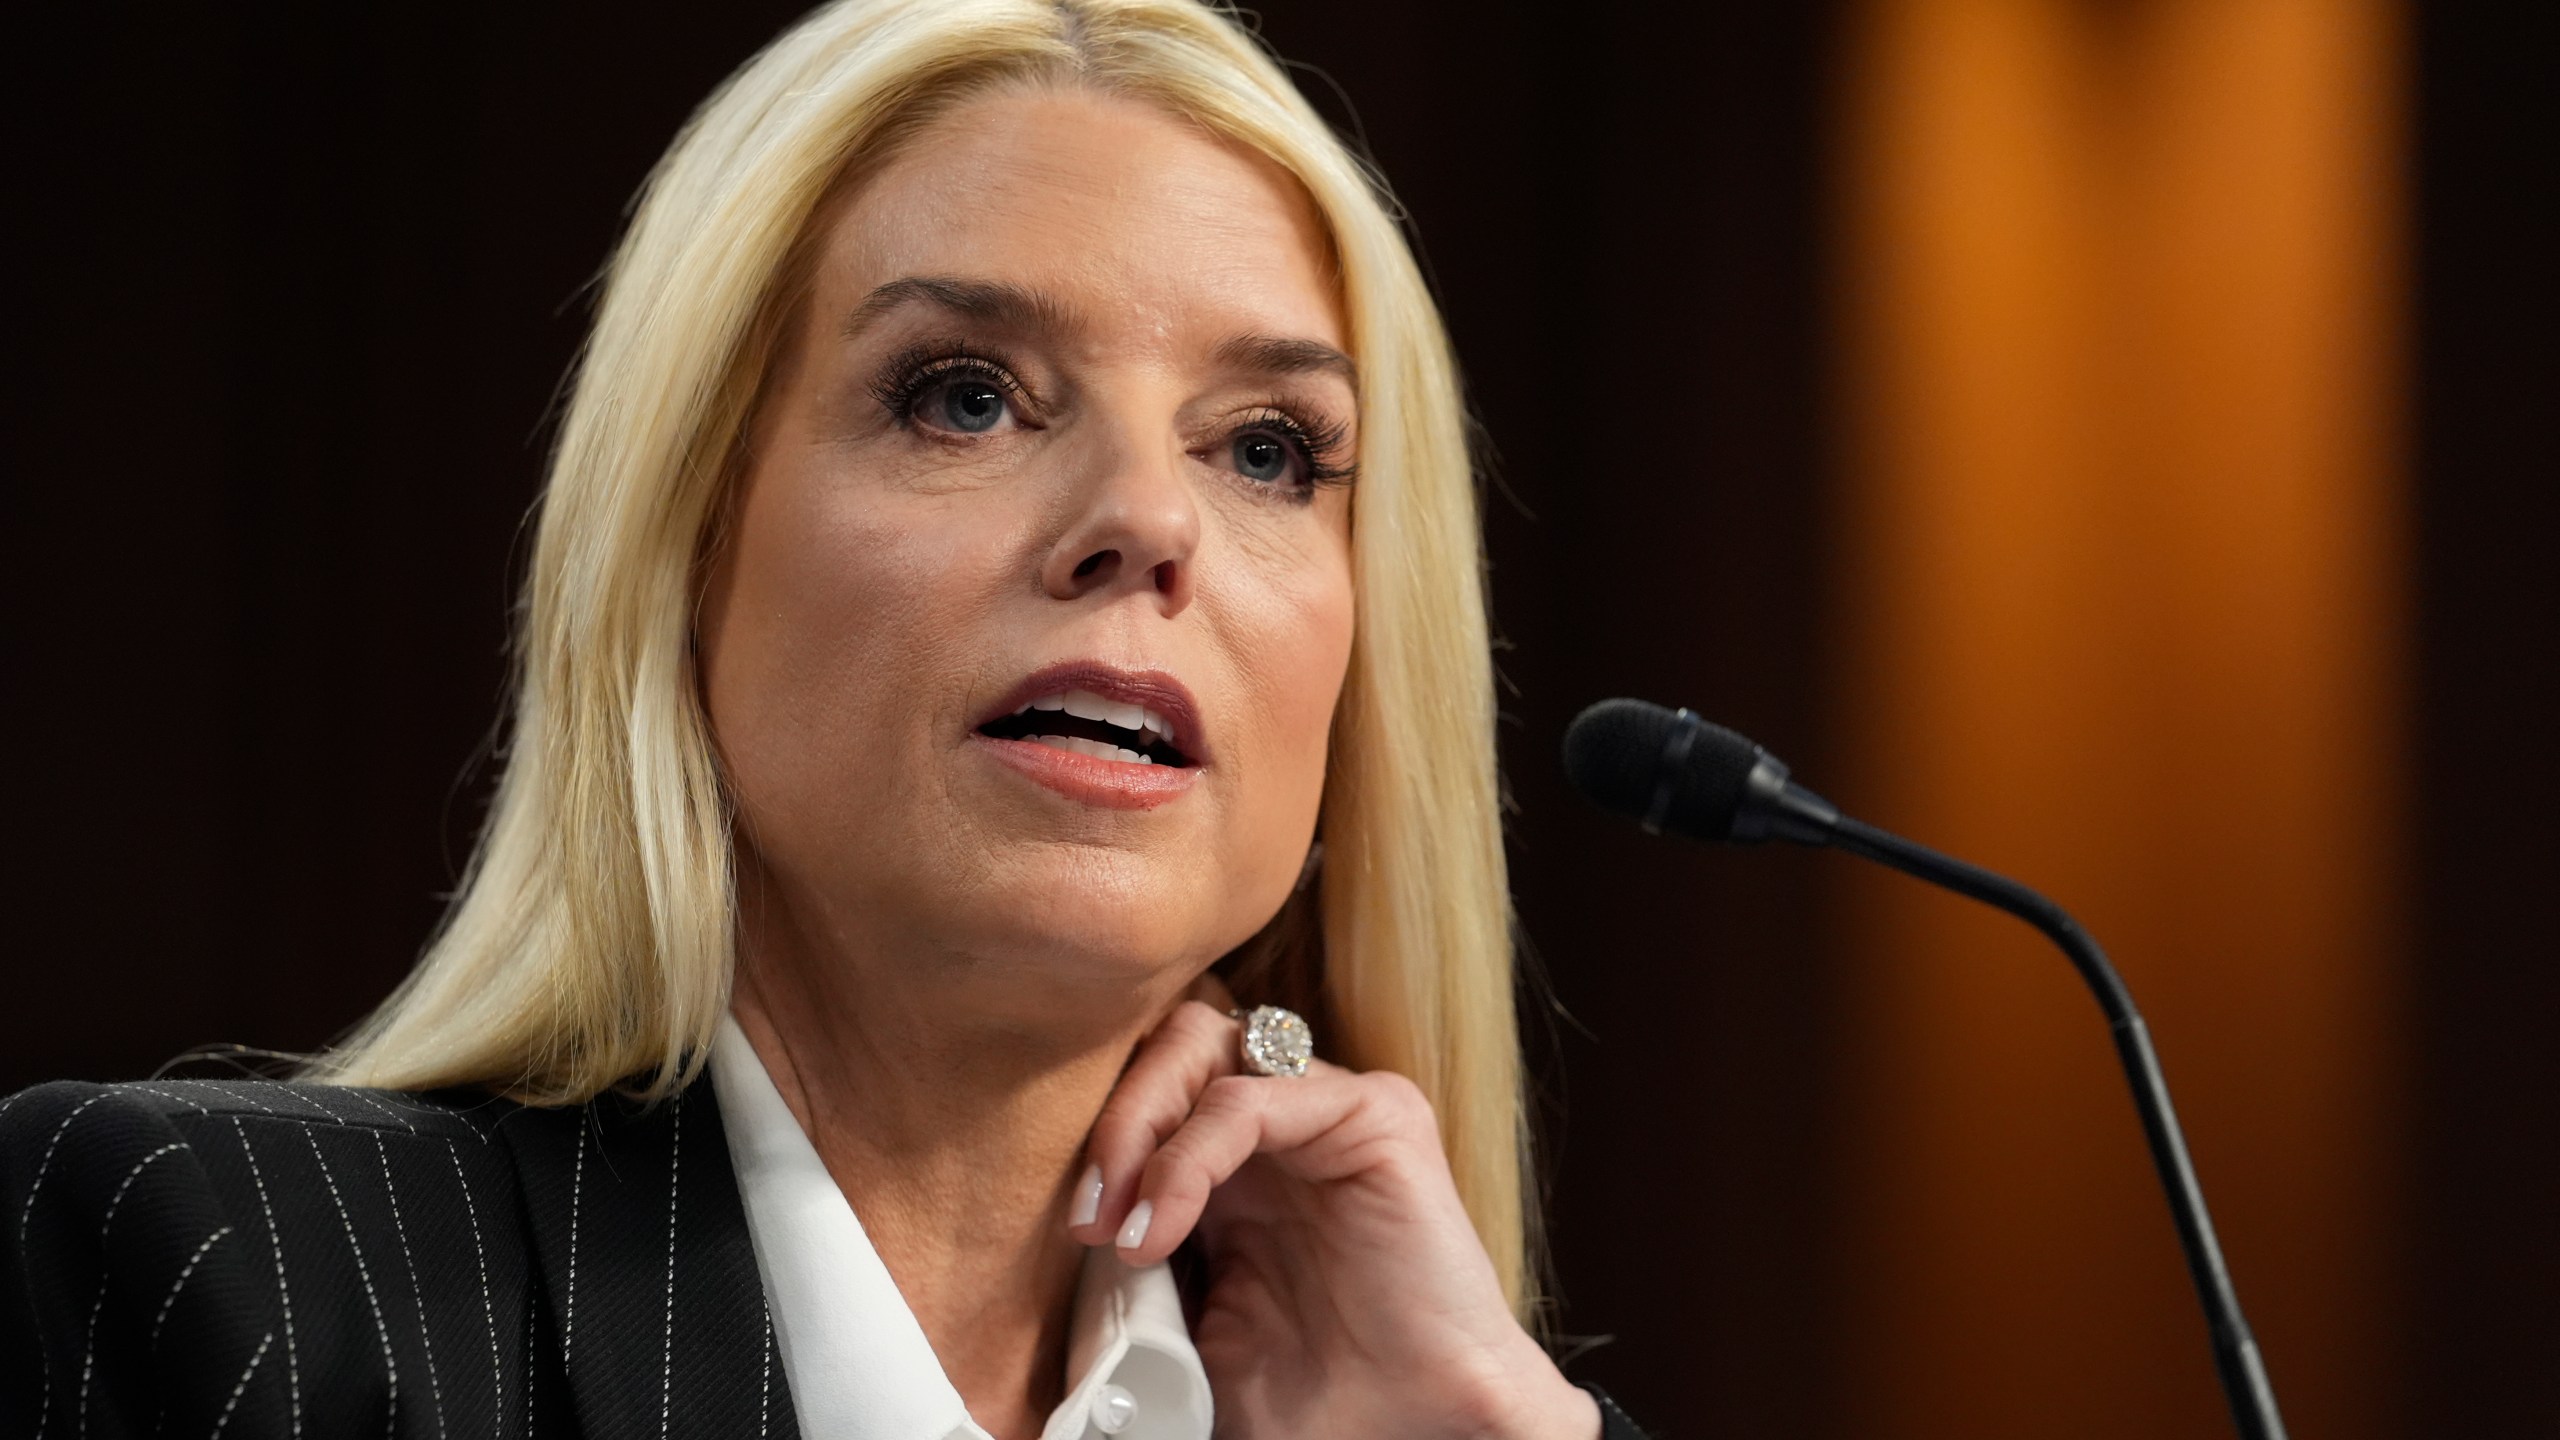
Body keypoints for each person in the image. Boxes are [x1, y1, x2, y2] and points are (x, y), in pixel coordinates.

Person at [1, 3, 1652, 1437]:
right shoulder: (225, 1287)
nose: (1153, 519)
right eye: (967, 395)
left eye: (1271, 449)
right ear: (689, 539)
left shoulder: (1403, 1404)